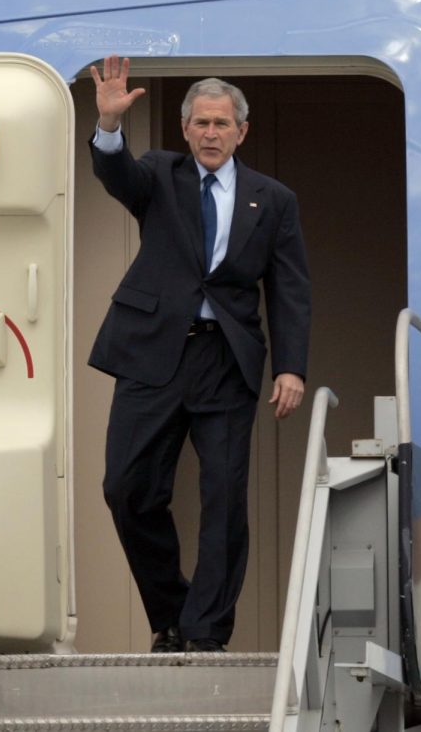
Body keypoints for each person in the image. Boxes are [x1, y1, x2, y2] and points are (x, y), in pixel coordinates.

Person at [88, 55, 311, 653]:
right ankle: (171, 615)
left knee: (225, 499)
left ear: (242, 130)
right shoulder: (159, 174)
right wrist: (109, 128)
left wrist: (291, 366)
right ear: (185, 130)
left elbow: (289, 288)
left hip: (226, 361)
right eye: (201, 123)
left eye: (222, 123)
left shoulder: (274, 199)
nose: (211, 133)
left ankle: (205, 632)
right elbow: (117, 178)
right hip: (152, 355)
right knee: (127, 488)